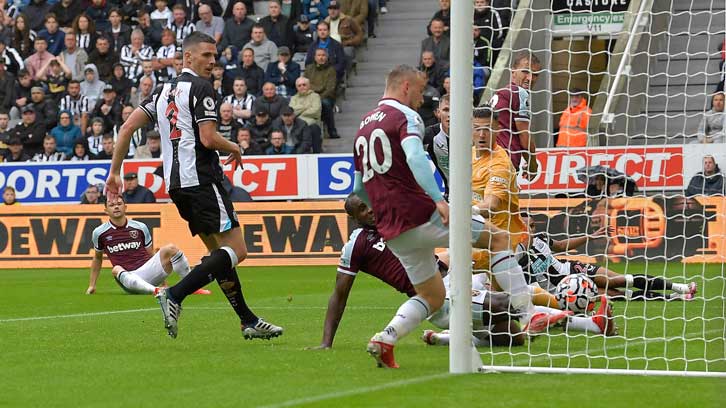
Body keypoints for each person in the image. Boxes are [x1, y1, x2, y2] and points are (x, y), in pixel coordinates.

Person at [353, 65, 546, 369]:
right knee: (498, 237)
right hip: (420, 214)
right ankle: (529, 313)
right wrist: (438, 200)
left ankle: (386, 337)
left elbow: (357, 188)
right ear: (405, 86)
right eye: (419, 90)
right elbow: (416, 157)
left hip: (391, 229)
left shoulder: (363, 124)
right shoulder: (405, 116)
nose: (422, 99)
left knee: (432, 296)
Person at [105, 31, 283, 340]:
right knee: (237, 251)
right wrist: (235, 147)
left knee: (219, 257)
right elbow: (208, 138)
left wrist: (114, 171)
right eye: (206, 56)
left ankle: (248, 320)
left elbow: (127, 127)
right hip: (201, 179)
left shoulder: (162, 92)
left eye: (214, 56)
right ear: (188, 57)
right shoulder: (202, 88)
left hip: (177, 187)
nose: (212, 62)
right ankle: (174, 294)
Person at [518, 213, 697, 302]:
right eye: (528, 226)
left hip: (572, 269)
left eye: (533, 225)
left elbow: (561, 246)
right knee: (615, 295)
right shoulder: (517, 254)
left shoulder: (541, 238)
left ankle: (680, 287)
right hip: (561, 289)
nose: (532, 229)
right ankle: (676, 297)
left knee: (618, 280)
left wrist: (591, 236)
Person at [86, 195, 211, 296]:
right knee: (116, 268)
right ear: (106, 210)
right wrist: (92, 285)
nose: (116, 207)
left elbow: (150, 254)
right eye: (112, 205)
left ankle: (191, 286)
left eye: (119, 204)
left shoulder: (140, 227)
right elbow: (97, 258)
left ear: (126, 207)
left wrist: (162, 279)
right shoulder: (99, 232)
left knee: (171, 248)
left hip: (148, 272)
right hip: (128, 279)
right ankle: (156, 291)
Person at [490, 52, 541, 179]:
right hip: (504, 161)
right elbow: (524, 136)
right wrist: (533, 165)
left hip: (486, 161)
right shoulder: (519, 93)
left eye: (535, 74)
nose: (530, 78)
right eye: (525, 71)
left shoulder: (503, 93)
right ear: (513, 72)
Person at [304, 48, 338, 138]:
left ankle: (332, 130)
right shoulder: (308, 69)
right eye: (319, 55)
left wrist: (318, 98)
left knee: (326, 104)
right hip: (309, 96)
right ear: (315, 57)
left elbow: (330, 88)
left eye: (323, 55)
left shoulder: (331, 70)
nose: (321, 58)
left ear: (327, 57)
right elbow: (305, 85)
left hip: (325, 97)